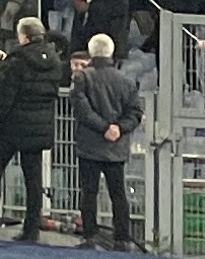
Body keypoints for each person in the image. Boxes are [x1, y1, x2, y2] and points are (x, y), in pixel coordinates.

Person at [0, 15, 71, 242]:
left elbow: (4, 98)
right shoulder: (55, 62)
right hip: (39, 128)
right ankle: (31, 229)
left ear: (23, 36)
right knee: (33, 179)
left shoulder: (17, 61)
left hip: (12, 127)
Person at [70, 34, 145, 250]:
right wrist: (118, 128)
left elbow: (82, 110)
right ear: (111, 52)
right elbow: (135, 113)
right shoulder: (126, 81)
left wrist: (103, 127)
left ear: (92, 52)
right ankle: (122, 238)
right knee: (118, 194)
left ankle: (90, 236)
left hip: (89, 145)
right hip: (116, 147)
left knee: (89, 192)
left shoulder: (82, 78)